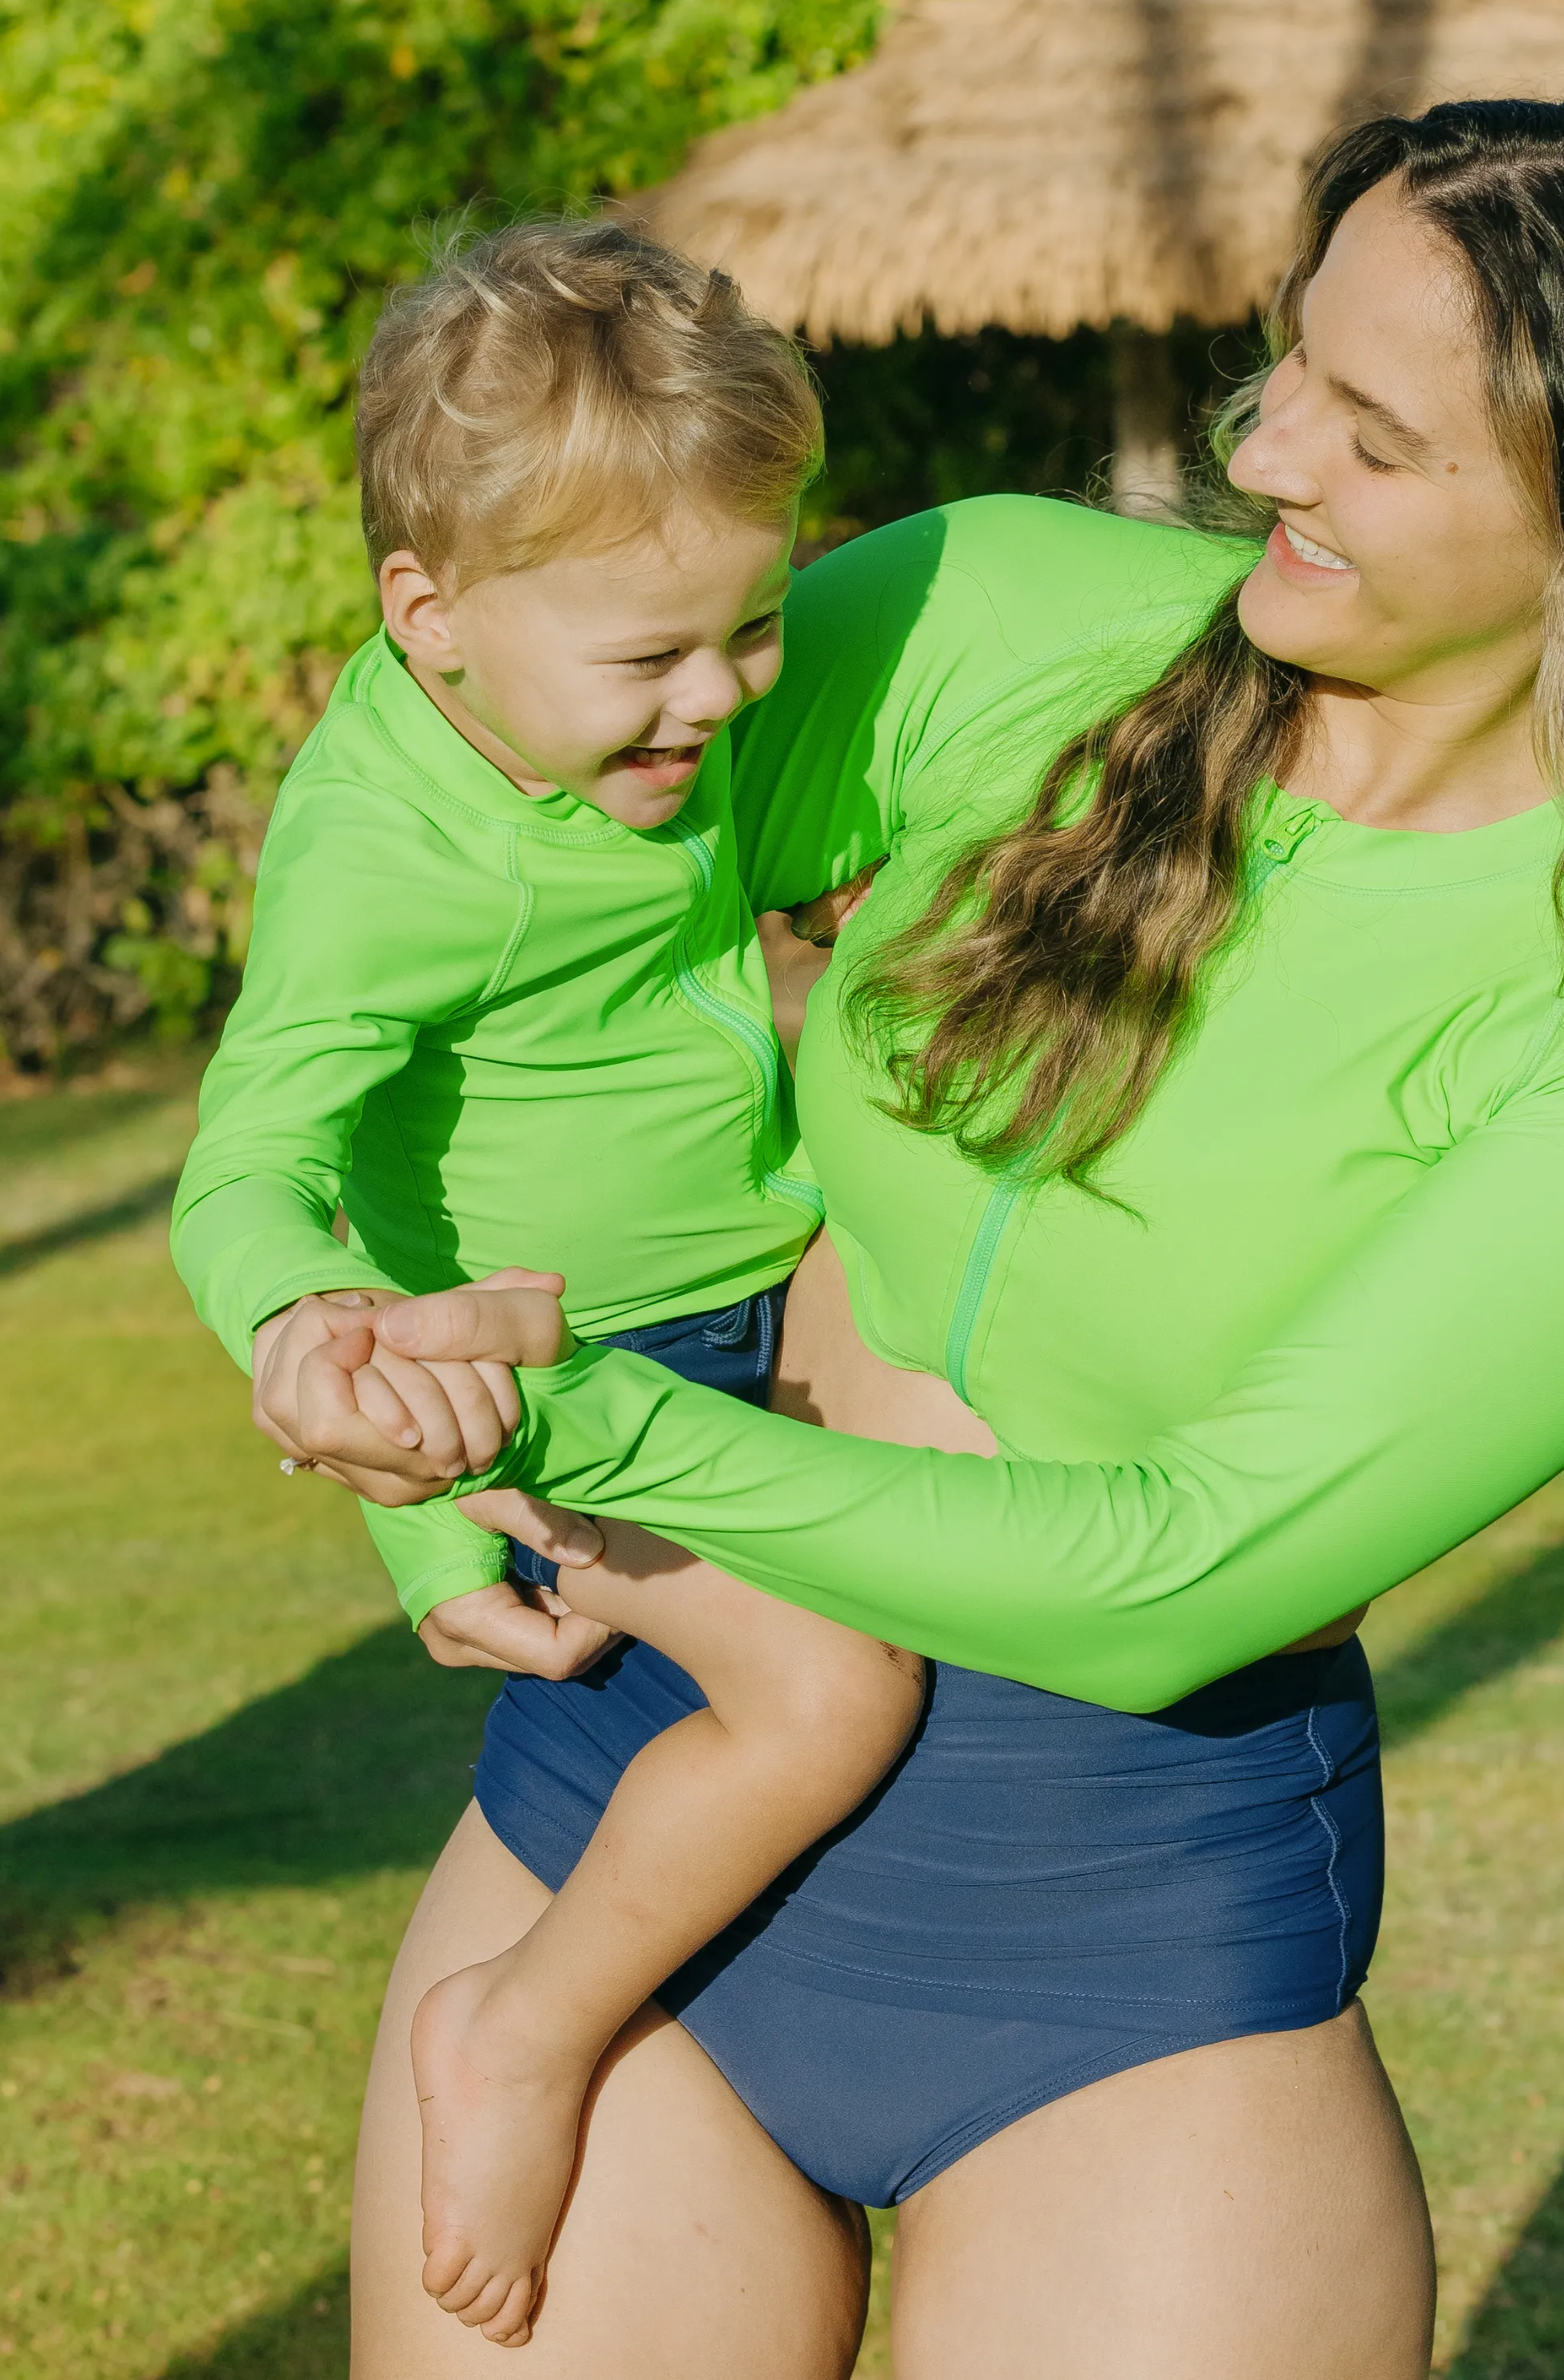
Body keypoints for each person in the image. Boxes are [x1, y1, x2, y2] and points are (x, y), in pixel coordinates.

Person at [277, 102, 1564, 2376]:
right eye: (1291, 366)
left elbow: (1175, 1581)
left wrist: (570, 1424)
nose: (1262, 450)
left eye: (1373, 433)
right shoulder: (1015, 616)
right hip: (642, 1795)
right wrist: (406, 1411)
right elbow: (469, 840)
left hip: (1110, 1941)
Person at [169, 219, 926, 2350]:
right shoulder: (387, 859)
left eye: (754, 628)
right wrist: (340, 1372)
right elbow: (247, 1170)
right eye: (653, 659)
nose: (721, 697)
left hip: (762, 1308)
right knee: (828, 1690)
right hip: (571, 1379)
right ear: (435, 620)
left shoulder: (605, 718)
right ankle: (522, 2037)